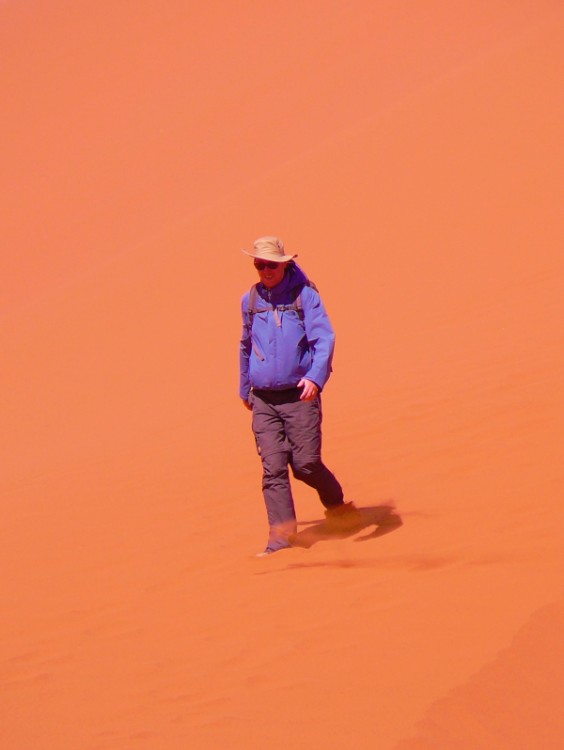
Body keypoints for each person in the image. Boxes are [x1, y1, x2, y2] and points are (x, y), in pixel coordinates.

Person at [239, 236, 359, 556]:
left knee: (305, 464)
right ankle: (281, 539)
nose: (265, 269)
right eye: (259, 264)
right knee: (273, 467)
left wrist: (315, 379)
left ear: (284, 264)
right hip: (263, 398)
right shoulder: (250, 300)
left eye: (271, 264)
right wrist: (243, 385)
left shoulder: (304, 296)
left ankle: (337, 506)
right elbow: (246, 345)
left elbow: (324, 338)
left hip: (299, 395)